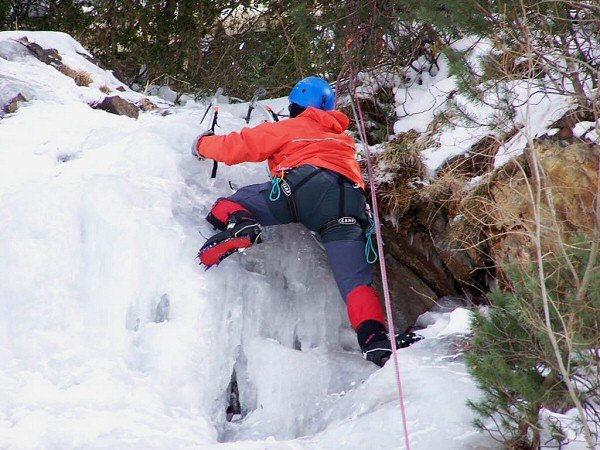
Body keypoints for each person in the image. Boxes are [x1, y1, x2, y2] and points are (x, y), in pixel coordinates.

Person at [192, 76, 422, 366]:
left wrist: (203, 144)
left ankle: (243, 224)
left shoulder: (294, 126)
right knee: (355, 282)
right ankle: (375, 340)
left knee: (228, 205)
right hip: (348, 201)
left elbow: (240, 146)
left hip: (304, 185)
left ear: (295, 107)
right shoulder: (343, 139)